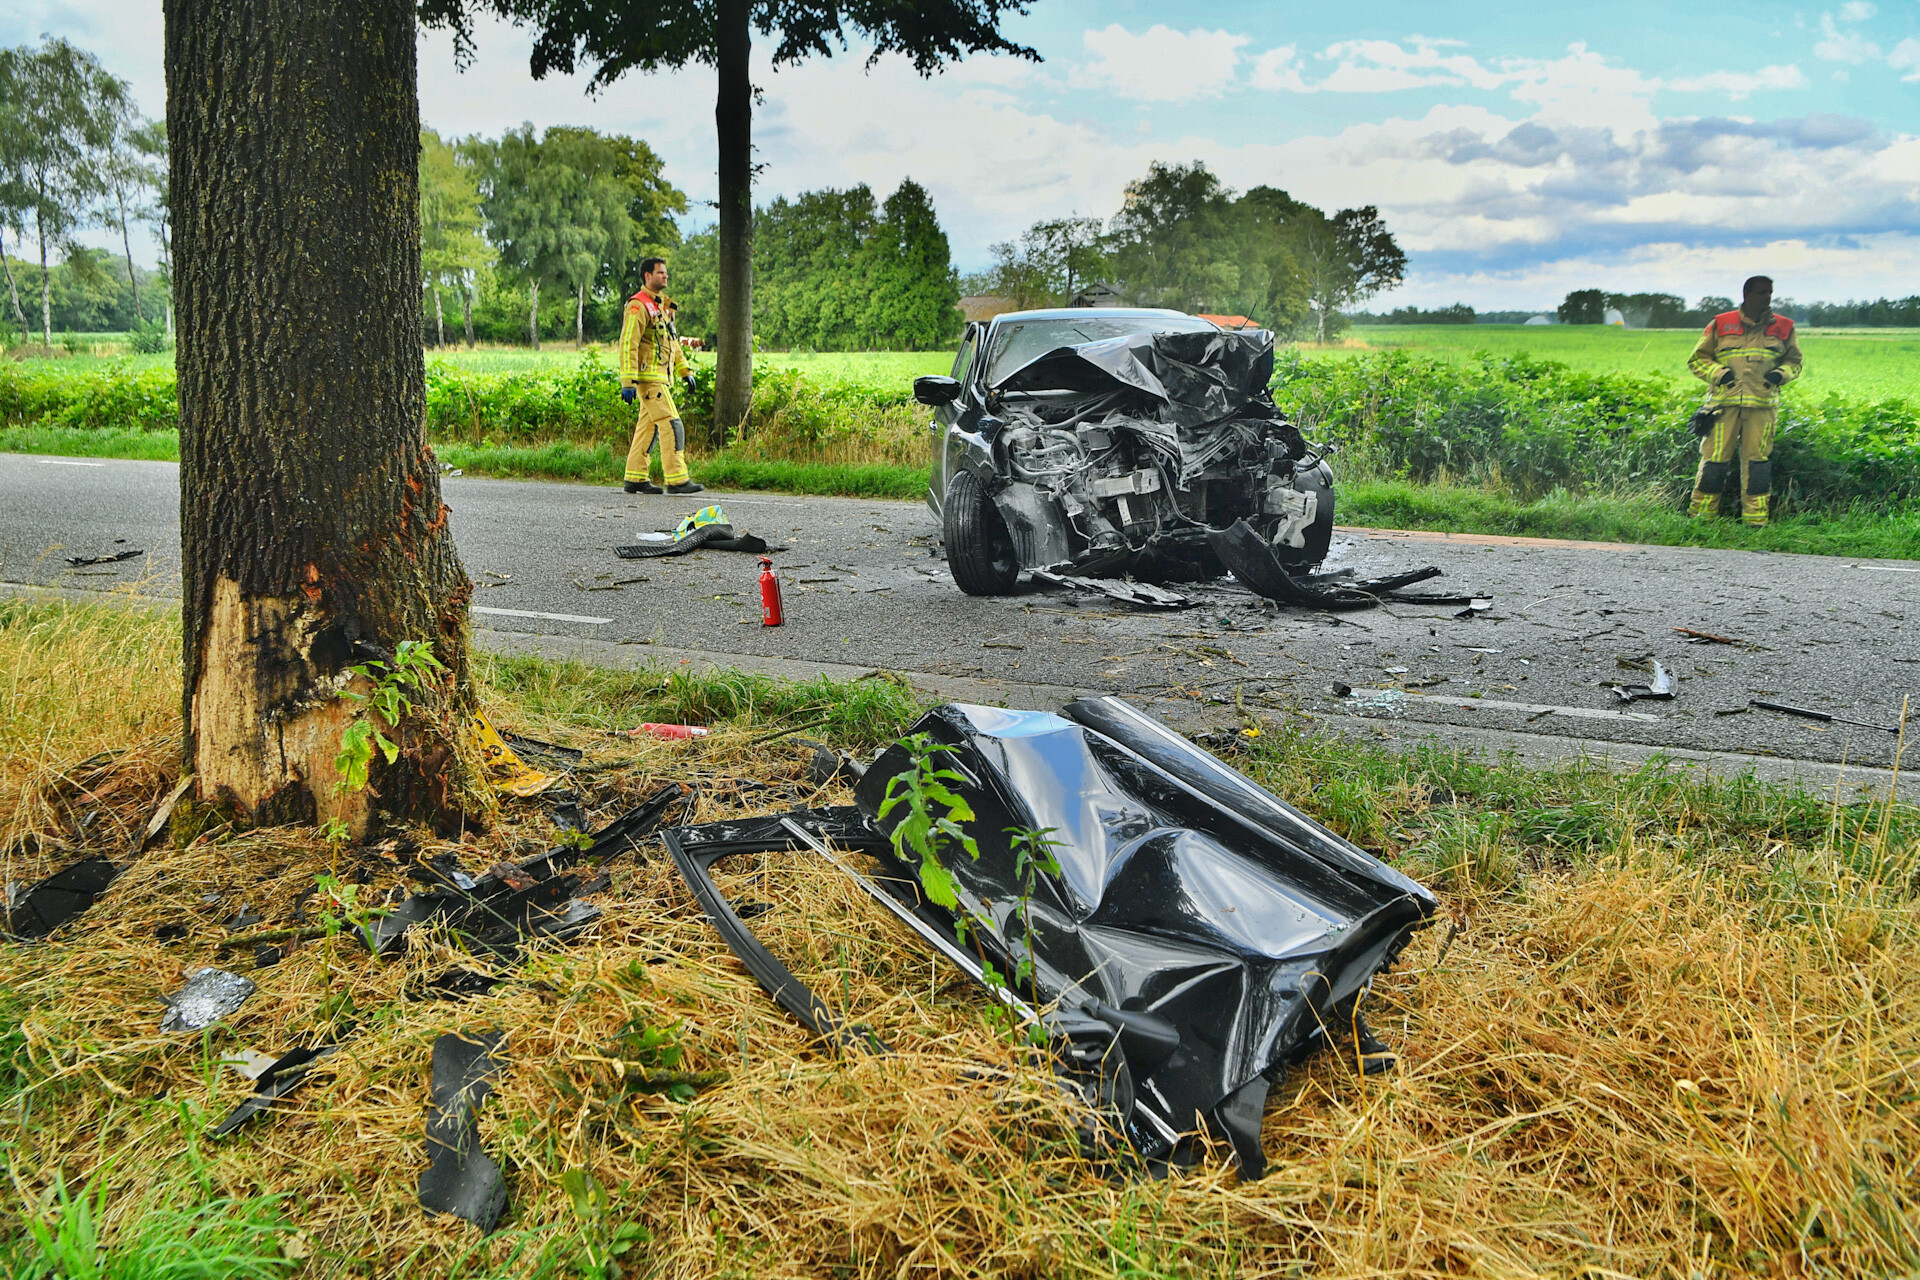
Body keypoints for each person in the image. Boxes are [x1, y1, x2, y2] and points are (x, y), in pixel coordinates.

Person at [1686, 275, 1802, 526]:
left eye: (1770, 292)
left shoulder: (1784, 327)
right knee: (1714, 462)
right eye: (1762, 293)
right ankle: (1701, 518)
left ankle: (1755, 521)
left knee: (1758, 465)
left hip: (1762, 407)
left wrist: (1780, 375)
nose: (1767, 297)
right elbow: (1697, 359)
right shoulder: (1721, 324)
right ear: (1747, 294)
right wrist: (1720, 374)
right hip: (1722, 405)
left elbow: (1795, 362)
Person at [618, 256, 703, 495]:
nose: (665, 276)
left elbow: (672, 343)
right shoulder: (638, 305)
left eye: (666, 273)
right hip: (648, 379)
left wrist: (684, 370)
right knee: (671, 424)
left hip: (660, 378)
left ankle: (635, 477)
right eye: (660, 273)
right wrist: (628, 382)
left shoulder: (661, 307)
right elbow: (628, 344)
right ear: (647, 276)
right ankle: (677, 479)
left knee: (648, 429)